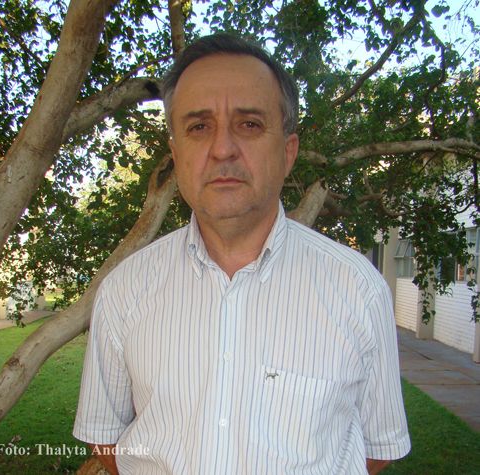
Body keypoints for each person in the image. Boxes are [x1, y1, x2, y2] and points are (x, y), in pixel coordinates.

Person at [73, 33, 410, 474]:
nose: (222, 149)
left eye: (249, 124)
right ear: (176, 154)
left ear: (287, 152)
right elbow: (105, 435)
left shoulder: (358, 289)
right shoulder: (124, 290)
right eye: (199, 127)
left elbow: (377, 446)